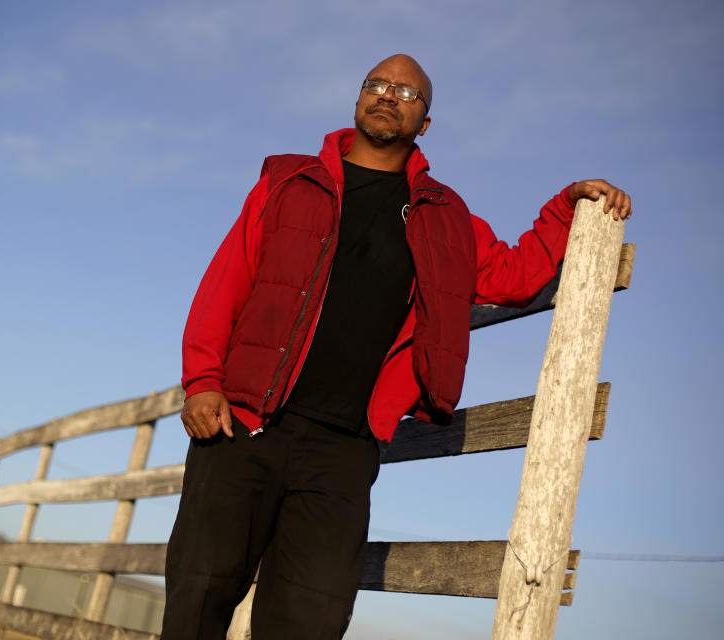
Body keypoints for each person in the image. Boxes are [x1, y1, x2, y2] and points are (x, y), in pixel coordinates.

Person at [162, 54, 632, 639]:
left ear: (424, 122)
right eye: (376, 85)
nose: (388, 96)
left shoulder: (447, 218)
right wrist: (203, 381)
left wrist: (565, 209)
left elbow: (511, 276)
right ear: (358, 100)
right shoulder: (288, 182)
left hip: (345, 449)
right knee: (198, 597)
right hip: (244, 428)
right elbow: (226, 281)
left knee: (313, 618)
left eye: (407, 92)